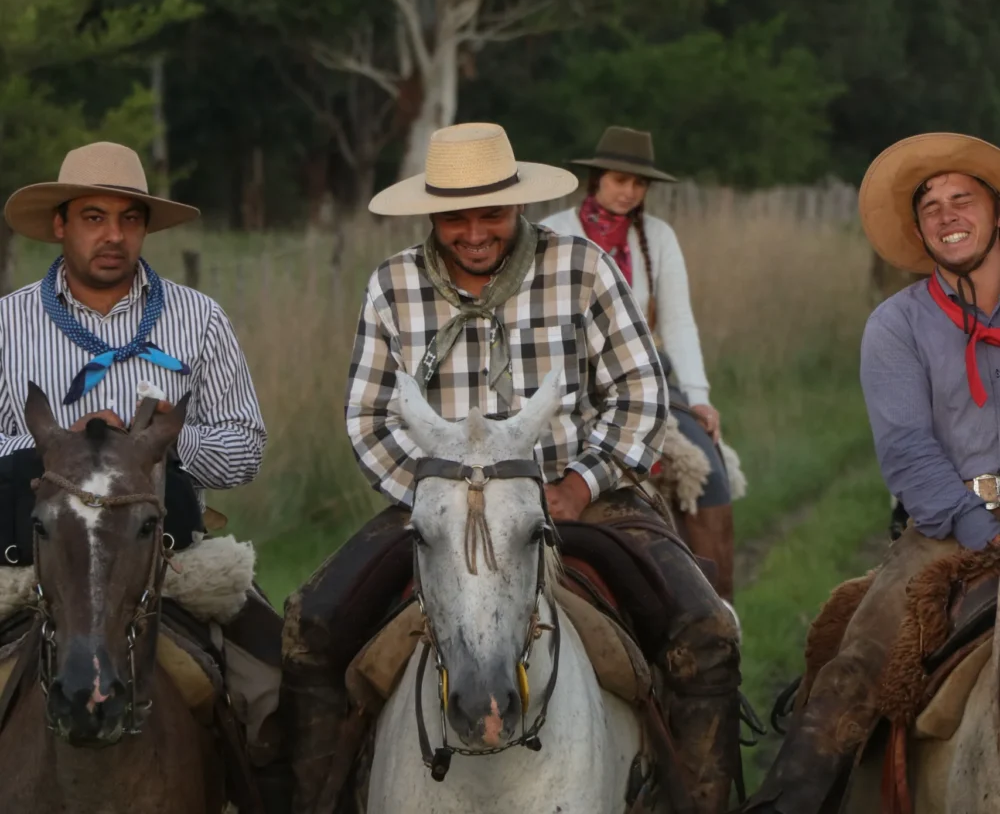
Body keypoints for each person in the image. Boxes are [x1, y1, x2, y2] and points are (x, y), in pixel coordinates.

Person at [282, 122, 742, 814]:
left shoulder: (581, 269)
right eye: (456, 215)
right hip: (435, 501)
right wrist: (434, 496)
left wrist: (582, 482)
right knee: (311, 628)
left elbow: (642, 394)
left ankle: (701, 802)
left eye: (491, 212)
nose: (474, 231)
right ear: (433, 214)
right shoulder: (393, 285)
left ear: (518, 206)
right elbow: (367, 418)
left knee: (704, 632)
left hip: (577, 494)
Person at [0, 141, 286, 810]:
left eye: (130, 219)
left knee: (276, 683)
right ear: (60, 225)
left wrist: (161, 445)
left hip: (171, 553)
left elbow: (245, 446)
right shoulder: (7, 323)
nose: (114, 235)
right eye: (94, 217)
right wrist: (60, 449)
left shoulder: (198, 318)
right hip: (29, 554)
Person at [744, 131, 1000, 813]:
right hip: (948, 532)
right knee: (849, 678)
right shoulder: (897, 325)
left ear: (995, 212)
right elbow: (910, 451)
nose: (947, 214)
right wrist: (983, 531)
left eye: (962, 199)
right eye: (931, 207)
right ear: (919, 230)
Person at [542, 126, 734, 601]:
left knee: (707, 471)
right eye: (618, 180)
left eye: (638, 184)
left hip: (648, 380)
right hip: (568, 383)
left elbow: (679, 322)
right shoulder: (553, 232)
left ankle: (715, 612)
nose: (628, 192)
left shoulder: (658, 237)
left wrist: (700, 398)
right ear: (596, 179)